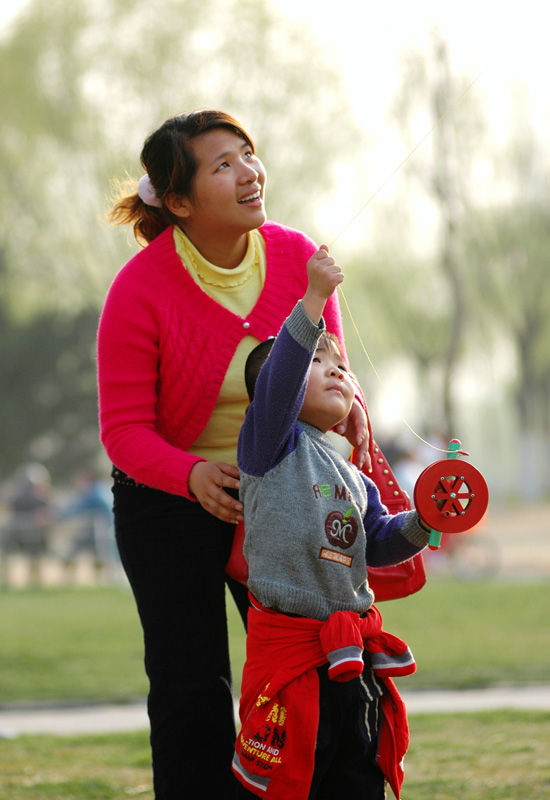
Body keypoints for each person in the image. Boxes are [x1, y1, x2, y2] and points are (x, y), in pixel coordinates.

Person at [97, 109, 371, 800]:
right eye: (223, 165)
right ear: (180, 201)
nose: (249, 171)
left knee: (311, 672)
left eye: (247, 153)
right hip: (168, 496)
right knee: (191, 688)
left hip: (281, 491)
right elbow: (123, 432)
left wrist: (356, 406)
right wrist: (190, 473)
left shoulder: (294, 258)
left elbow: (328, 370)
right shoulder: (139, 288)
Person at [232, 249, 431, 799]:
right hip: (293, 660)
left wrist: (424, 521)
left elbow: (381, 542)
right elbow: (282, 376)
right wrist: (314, 300)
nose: (338, 370)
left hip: (351, 655)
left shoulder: (349, 471)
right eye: (320, 363)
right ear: (279, 391)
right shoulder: (268, 443)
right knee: (294, 779)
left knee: (355, 776)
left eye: (340, 365)